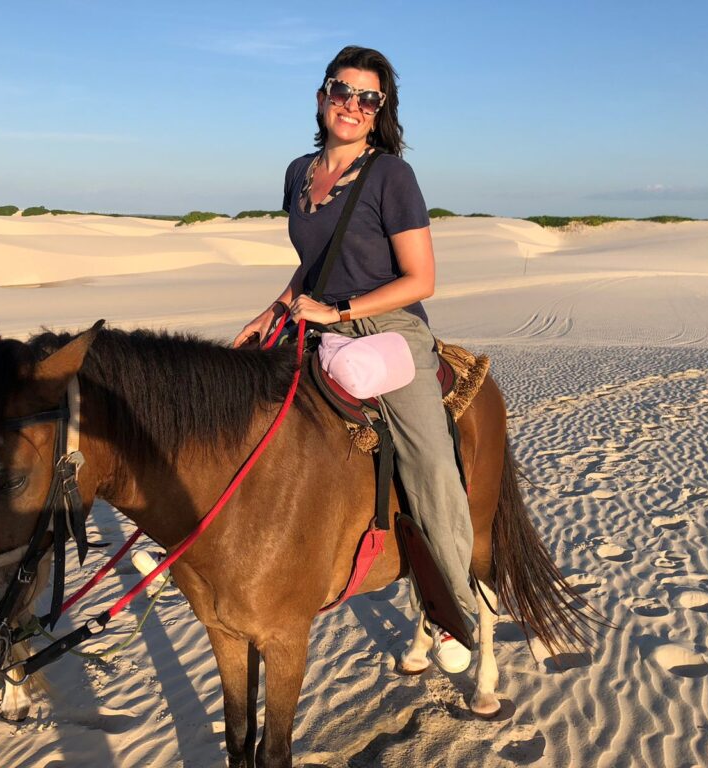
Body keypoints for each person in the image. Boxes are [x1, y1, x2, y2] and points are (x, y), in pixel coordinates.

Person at [234, 45, 476, 673]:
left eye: (367, 98)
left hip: (387, 328)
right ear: (321, 96)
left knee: (429, 460)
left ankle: (453, 605)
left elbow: (421, 278)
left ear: (379, 111)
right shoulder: (297, 171)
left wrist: (339, 313)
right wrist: (277, 306)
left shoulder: (392, 175)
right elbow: (314, 260)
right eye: (341, 90)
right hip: (313, 314)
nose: (351, 104)